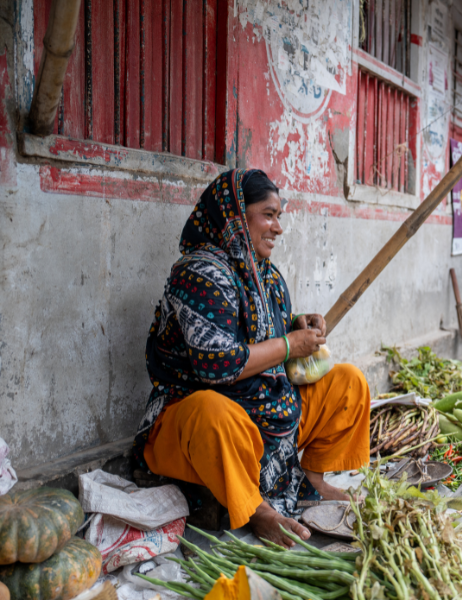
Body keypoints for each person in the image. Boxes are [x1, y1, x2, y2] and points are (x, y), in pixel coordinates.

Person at [133, 169, 371, 547]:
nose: (278, 228)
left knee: (347, 382)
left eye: (279, 216)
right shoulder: (199, 273)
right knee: (214, 413)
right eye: (268, 214)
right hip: (194, 424)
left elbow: (263, 335)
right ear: (235, 216)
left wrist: (297, 325)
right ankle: (256, 509)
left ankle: (312, 477)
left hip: (263, 416)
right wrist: (291, 344)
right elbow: (218, 364)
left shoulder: (268, 277)